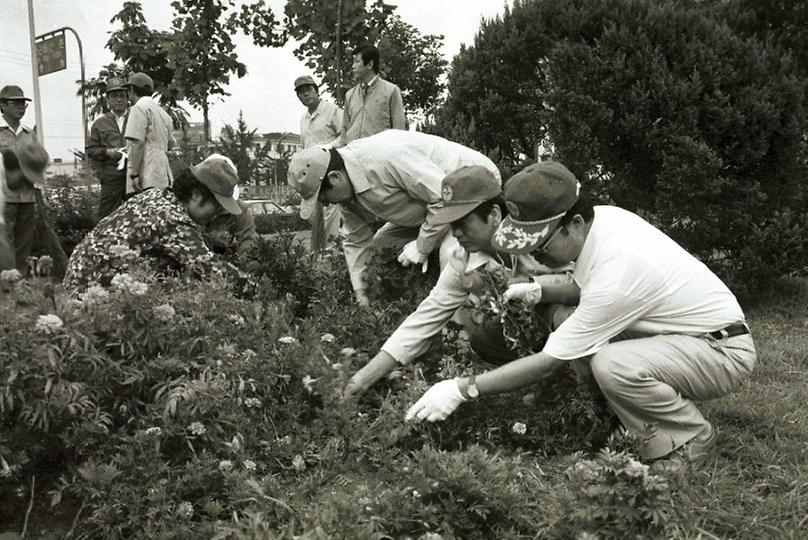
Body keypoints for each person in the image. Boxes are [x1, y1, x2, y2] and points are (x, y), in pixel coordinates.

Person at [406, 160, 756, 467]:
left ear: (573, 223)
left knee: (612, 363)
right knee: (572, 327)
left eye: (539, 247)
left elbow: (549, 360)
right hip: (681, 335)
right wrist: (541, 290)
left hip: (720, 350)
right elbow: (586, 284)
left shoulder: (619, 270)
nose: (537, 259)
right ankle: (623, 414)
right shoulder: (604, 220)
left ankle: (691, 438)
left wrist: (462, 388)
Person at [344, 165, 579, 398]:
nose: (455, 233)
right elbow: (425, 318)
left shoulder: (532, 230)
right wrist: (363, 377)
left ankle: (578, 387)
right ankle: (543, 382)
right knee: (485, 339)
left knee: (559, 314)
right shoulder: (462, 259)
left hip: (581, 312)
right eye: (451, 224)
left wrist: (520, 284)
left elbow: (579, 279)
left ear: (494, 215)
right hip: (534, 326)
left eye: (462, 223)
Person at [287, 130, 501, 305]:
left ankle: (472, 318)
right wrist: (362, 294)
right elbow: (356, 241)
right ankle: (397, 306)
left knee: (450, 254)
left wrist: (422, 246)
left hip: (469, 190)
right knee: (378, 250)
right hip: (429, 206)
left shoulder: (386, 157)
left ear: (335, 177)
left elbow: (443, 200)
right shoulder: (345, 193)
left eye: (322, 195)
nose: (325, 203)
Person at [63, 154, 245, 293]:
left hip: (80, 280)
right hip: (93, 294)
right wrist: (260, 288)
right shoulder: (173, 220)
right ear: (196, 194)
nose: (216, 214)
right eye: (216, 206)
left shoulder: (158, 196)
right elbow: (212, 269)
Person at [295, 74, 344, 248]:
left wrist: (327, 148)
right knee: (310, 212)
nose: (305, 95)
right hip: (312, 171)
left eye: (308, 90)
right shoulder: (303, 118)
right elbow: (304, 146)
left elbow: (345, 134)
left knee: (331, 208)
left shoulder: (332, 110)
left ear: (316, 91)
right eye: (300, 92)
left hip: (331, 165)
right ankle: (328, 243)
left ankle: (331, 249)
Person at [0, 85, 38, 273]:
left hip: (27, 197)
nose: (21, 107)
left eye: (23, 103)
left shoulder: (29, 133)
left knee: (24, 243)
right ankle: (6, 284)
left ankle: (21, 285)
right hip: (4, 198)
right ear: (3, 106)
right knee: (4, 243)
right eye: (16, 103)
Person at [341, 44, 406, 145]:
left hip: (379, 156)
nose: (353, 66)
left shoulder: (391, 91)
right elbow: (344, 132)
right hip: (353, 156)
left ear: (370, 64)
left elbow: (399, 131)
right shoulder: (350, 95)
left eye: (357, 62)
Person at [123, 72, 175, 196]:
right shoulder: (163, 113)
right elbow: (171, 144)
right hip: (163, 171)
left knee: (143, 211)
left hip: (146, 172)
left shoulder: (138, 108)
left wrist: (135, 174)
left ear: (131, 89)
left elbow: (138, 143)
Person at [87, 77, 129, 219]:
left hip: (134, 174)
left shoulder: (136, 118)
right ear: (108, 100)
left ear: (127, 98)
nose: (119, 100)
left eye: (122, 96)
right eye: (114, 96)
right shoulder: (99, 124)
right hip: (111, 174)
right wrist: (106, 153)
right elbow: (91, 150)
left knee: (136, 214)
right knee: (107, 216)